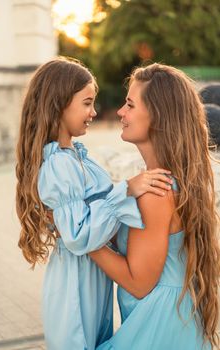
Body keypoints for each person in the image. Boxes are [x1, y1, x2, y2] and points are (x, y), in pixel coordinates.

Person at [15, 57, 172, 350]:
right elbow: (76, 236)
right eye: (87, 103)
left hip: (90, 277)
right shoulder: (59, 165)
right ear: (59, 104)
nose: (94, 112)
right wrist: (127, 189)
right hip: (75, 283)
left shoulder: (75, 157)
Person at [89, 63, 220, 350]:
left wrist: (83, 237)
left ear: (158, 116)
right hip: (174, 321)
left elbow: (138, 282)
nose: (121, 113)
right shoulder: (171, 179)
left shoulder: (156, 192)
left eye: (130, 104)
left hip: (159, 328)